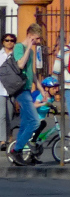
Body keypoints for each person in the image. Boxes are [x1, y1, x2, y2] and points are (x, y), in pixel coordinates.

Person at [9, 24, 44, 167]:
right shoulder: (19, 47)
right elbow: (21, 65)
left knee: (24, 123)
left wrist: (41, 89)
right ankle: (16, 150)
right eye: (36, 39)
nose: (38, 41)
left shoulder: (32, 51)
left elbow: (32, 73)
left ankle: (21, 155)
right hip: (20, 89)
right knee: (35, 122)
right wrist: (28, 47)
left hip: (27, 89)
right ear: (29, 36)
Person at [0, 33, 17, 151]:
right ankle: (2, 140)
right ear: (3, 42)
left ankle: (9, 135)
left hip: (12, 89)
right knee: (2, 115)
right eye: (7, 40)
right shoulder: (0, 55)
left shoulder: (16, 55)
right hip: (0, 88)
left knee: (10, 115)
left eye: (12, 40)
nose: (9, 42)